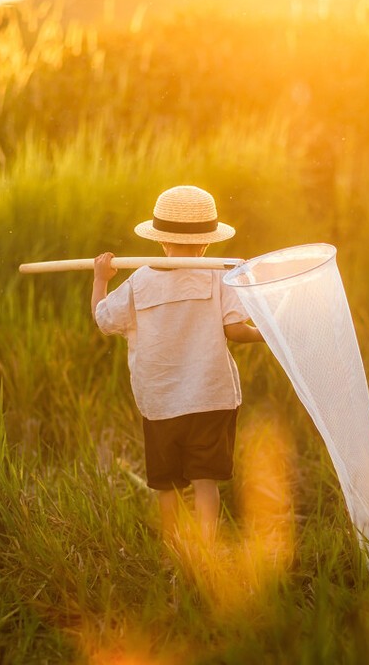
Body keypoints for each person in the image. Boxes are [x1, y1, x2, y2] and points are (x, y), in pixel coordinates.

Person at [92, 185, 264, 547]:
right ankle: (206, 548)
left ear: (161, 241)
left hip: (161, 402)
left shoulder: (140, 281)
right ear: (206, 244)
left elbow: (103, 319)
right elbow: (235, 330)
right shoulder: (218, 276)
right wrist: (269, 335)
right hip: (211, 398)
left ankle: (173, 547)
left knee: (166, 485)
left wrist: (100, 280)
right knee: (206, 481)